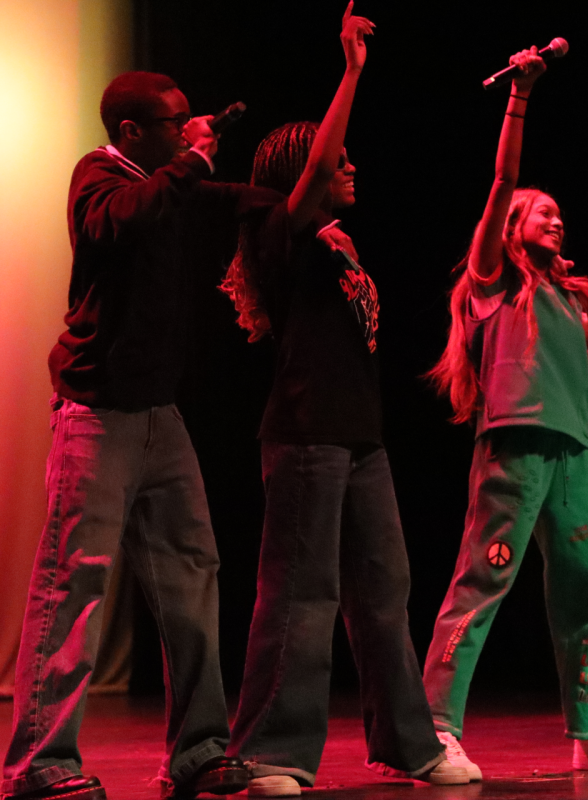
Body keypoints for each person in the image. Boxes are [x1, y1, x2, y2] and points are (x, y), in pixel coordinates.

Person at [0, 70, 348, 800]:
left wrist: (302, 204)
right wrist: (192, 161)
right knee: (75, 584)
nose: (192, 130)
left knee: (193, 577)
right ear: (132, 132)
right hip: (96, 416)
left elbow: (243, 205)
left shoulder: (172, 188)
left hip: (160, 416)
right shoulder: (100, 177)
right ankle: (39, 764)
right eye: (176, 122)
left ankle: (197, 751)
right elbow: (120, 222)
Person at [218, 6, 468, 797]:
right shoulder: (279, 233)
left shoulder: (340, 244)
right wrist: (353, 72)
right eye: (340, 160)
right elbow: (319, 156)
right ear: (306, 173)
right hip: (304, 435)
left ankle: (408, 742)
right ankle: (270, 751)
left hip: (361, 438)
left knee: (383, 591)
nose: (351, 167)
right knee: (302, 591)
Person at [421, 46, 588, 778]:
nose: (556, 222)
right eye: (542, 215)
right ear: (514, 224)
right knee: (484, 580)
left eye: (560, 216)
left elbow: (572, 375)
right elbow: (503, 180)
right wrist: (519, 98)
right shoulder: (493, 279)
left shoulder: (570, 295)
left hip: (573, 453)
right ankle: (434, 728)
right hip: (516, 449)